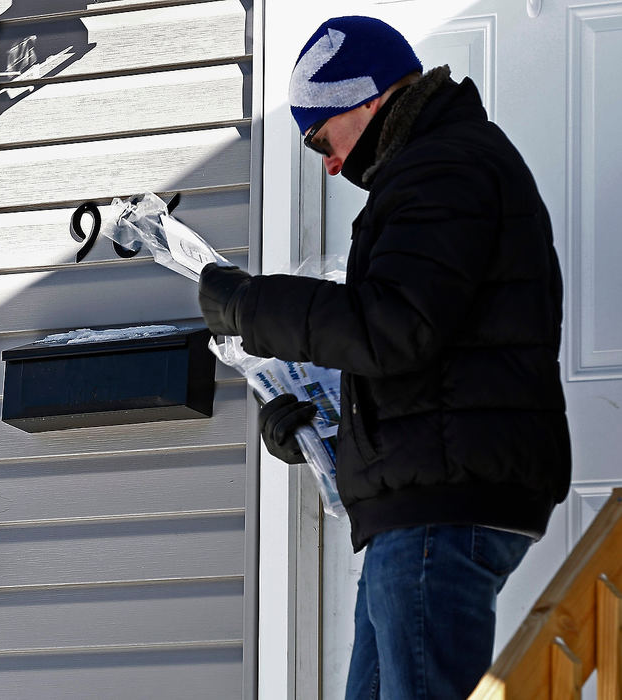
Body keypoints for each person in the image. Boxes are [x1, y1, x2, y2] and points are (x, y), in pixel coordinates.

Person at [197, 15, 571, 700]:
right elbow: (417, 351)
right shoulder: (437, 166)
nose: (330, 163)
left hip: (438, 507)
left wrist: (251, 309)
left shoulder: (443, 166)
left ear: (363, 97)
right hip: (422, 497)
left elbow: (393, 328)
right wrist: (316, 429)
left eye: (320, 139)